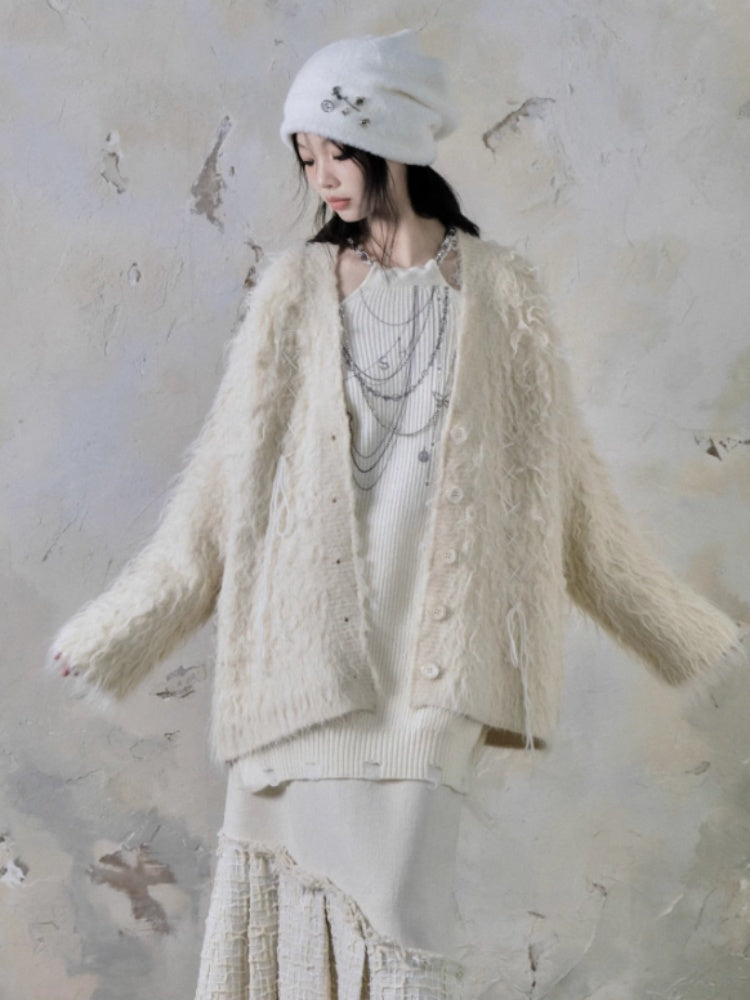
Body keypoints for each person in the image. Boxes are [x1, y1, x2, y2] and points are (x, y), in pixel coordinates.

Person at [48, 30, 747, 1000]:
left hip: (432, 683)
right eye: (307, 159)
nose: (323, 179)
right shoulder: (293, 294)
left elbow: (573, 499)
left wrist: (693, 640)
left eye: (337, 152)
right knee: (288, 935)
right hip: (297, 689)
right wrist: (118, 631)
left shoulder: (503, 295)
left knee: (405, 930)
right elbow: (218, 493)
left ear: (395, 144)